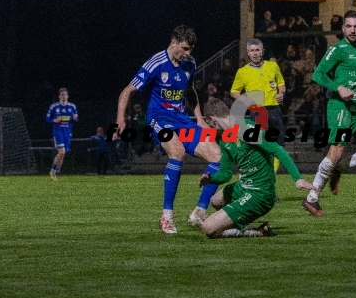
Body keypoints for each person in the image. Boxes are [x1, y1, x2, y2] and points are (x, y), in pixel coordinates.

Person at [114, 25, 221, 234]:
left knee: (217, 154)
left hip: (182, 120)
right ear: (173, 42)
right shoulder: (156, 63)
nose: (188, 53)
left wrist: (199, 119)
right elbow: (126, 91)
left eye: (190, 49)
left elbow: (190, 91)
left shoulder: (189, 63)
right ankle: (167, 216)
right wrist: (120, 119)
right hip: (159, 118)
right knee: (177, 151)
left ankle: (199, 212)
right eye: (185, 48)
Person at [302, 10, 356, 216]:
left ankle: (339, 168)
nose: (352, 30)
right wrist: (337, 88)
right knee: (337, 150)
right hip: (340, 108)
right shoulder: (338, 49)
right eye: (349, 26)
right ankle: (311, 198)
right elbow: (318, 74)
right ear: (342, 28)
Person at [197, 98, 317, 238]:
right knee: (215, 200)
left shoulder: (247, 129)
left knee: (208, 228)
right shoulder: (225, 139)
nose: (210, 127)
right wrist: (211, 179)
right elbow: (226, 174)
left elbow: (278, 150)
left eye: (209, 124)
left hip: (260, 193)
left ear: (213, 119)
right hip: (244, 187)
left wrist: (298, 179)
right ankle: (238, 222)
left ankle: (257, 232)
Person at [230, 38, 286, 173]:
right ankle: (257, 174)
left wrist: (281, 93)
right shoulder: (242, 72)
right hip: (257, 112)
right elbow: (234, 92)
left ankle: (271, 175)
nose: (255, 53)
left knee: (279, 145)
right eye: (252, 51)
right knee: (259, 146)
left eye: (257, 50)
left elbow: (281, 83)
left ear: (262, 51)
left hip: (274, 110)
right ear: (248, 53)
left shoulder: (273, 66)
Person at [45, 88, 78, 181]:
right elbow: (47, 119)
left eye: (65, 94)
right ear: (59, 96)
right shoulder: (54, 107)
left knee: (63, 154)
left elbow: (75, 119)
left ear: (68, 96)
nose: (64, 96)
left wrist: (74, 119)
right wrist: (54, 120)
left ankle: (56, 172)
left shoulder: (72, 107)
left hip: (67, 131)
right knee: (61, 152)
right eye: (62, 95)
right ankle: (52, 170)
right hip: (58, 131)